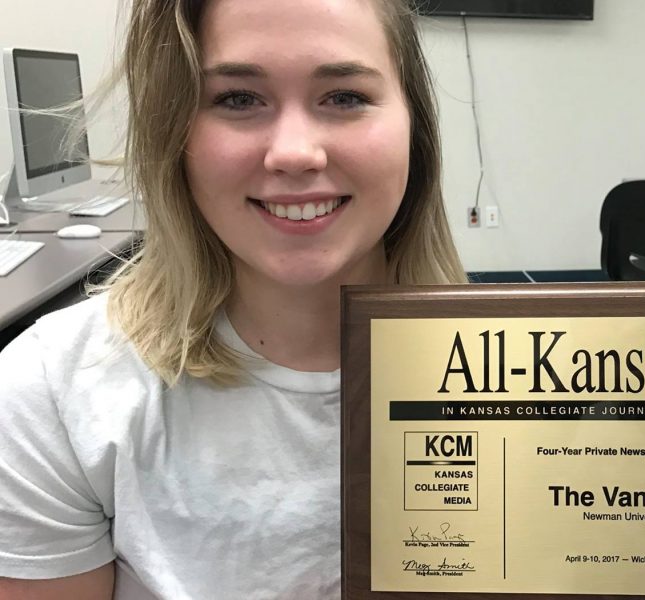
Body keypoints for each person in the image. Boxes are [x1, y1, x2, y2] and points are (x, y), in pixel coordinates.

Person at [0, 0, 464, 597]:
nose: (294, 152)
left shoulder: (532, 384)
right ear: (173, 132)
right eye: (238, 99)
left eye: (345, 96)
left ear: (414, 125)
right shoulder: (49, 395)